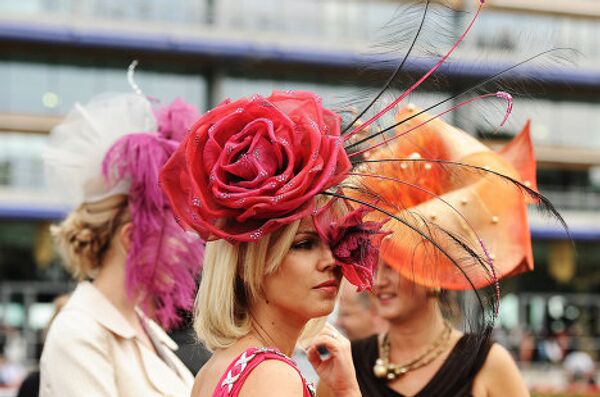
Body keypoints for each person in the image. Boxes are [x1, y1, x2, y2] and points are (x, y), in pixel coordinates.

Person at [319, 106, 538, 397]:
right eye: (373, 265)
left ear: (432, 269)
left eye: (394, 266)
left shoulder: (486, 363)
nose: (378, 282)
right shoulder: (347, 364)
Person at [40, 93, 204, 396]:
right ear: (131, 238)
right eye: (173, 235)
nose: (185, 248)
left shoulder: (145, 328)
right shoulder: (79, 332)